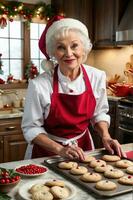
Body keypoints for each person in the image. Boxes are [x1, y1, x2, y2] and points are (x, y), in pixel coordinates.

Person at [22, 15, 125, 160]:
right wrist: (60, 149)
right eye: (61, 47)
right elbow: (31, 128)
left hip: (83, 149)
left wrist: (106, 136)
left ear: (84, 47)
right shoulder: (39, 85)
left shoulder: (96, 76)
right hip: (46, 153)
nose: (69, 53)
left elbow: (99, 114)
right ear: (53, 52)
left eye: (74, 45)